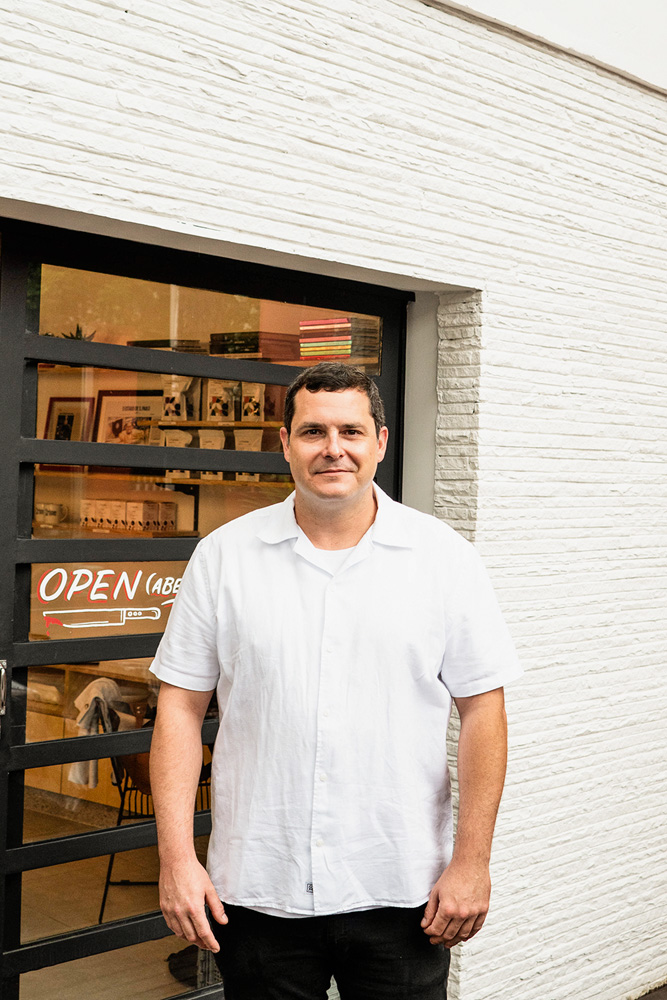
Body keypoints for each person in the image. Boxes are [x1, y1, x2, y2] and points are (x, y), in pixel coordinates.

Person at [149, 362, 521, 999]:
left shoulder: (444, 560)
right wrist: (177, 859)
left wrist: (472, 862)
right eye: (312, 431)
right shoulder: (225, 556)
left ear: (379, 441)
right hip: (259, 886)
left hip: (401, 888)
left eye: (350, 430)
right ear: (286, 443)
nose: (333, 449)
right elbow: (180, 709)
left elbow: (484, 710)